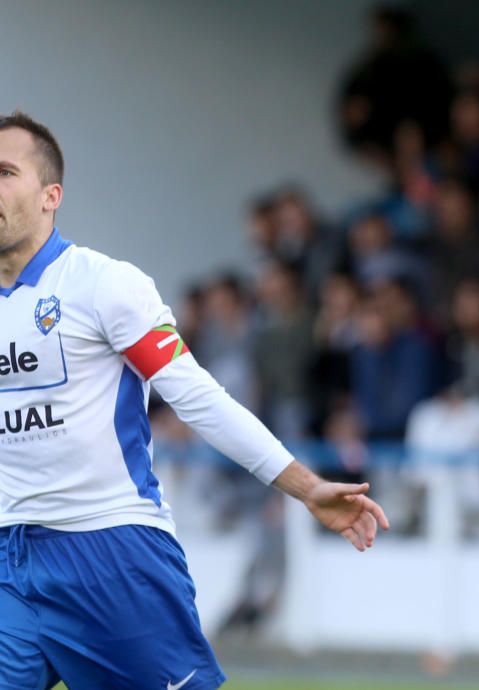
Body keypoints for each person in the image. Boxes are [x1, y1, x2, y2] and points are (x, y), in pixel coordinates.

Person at [0, 112, 389, 690]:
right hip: (10, 557)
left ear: (51, 194)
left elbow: (200, 399)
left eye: (5, 172)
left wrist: (306, 487)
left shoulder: (102, 285)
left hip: (111, 554)